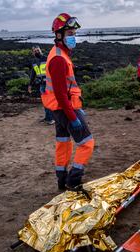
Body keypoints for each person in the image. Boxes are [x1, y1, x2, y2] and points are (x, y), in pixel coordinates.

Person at [41, 13, 95, 190]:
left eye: (74, 34)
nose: (73, 37)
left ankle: (62, 180)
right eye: (70, 34)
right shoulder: (58, 59)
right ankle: (73, 179)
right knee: (86, 143)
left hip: (59, 109)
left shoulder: (59, 53)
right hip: (65, 108)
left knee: (63, 143)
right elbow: (60, 93)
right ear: (59, 35)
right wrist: (73, 117)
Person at [28, 46, 54, 125]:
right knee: (45, 101)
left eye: (38, 50)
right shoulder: (34, 62)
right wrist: (30, 85)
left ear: (40, 50)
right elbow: (33, 74)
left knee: (49, 101)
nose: (37, 52)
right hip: (41, 84)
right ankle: (47, 117)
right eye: (35, 51)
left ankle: (51, 119)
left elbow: (53, 69)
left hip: (49, 84)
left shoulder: (47, 58)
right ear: (33, 53)